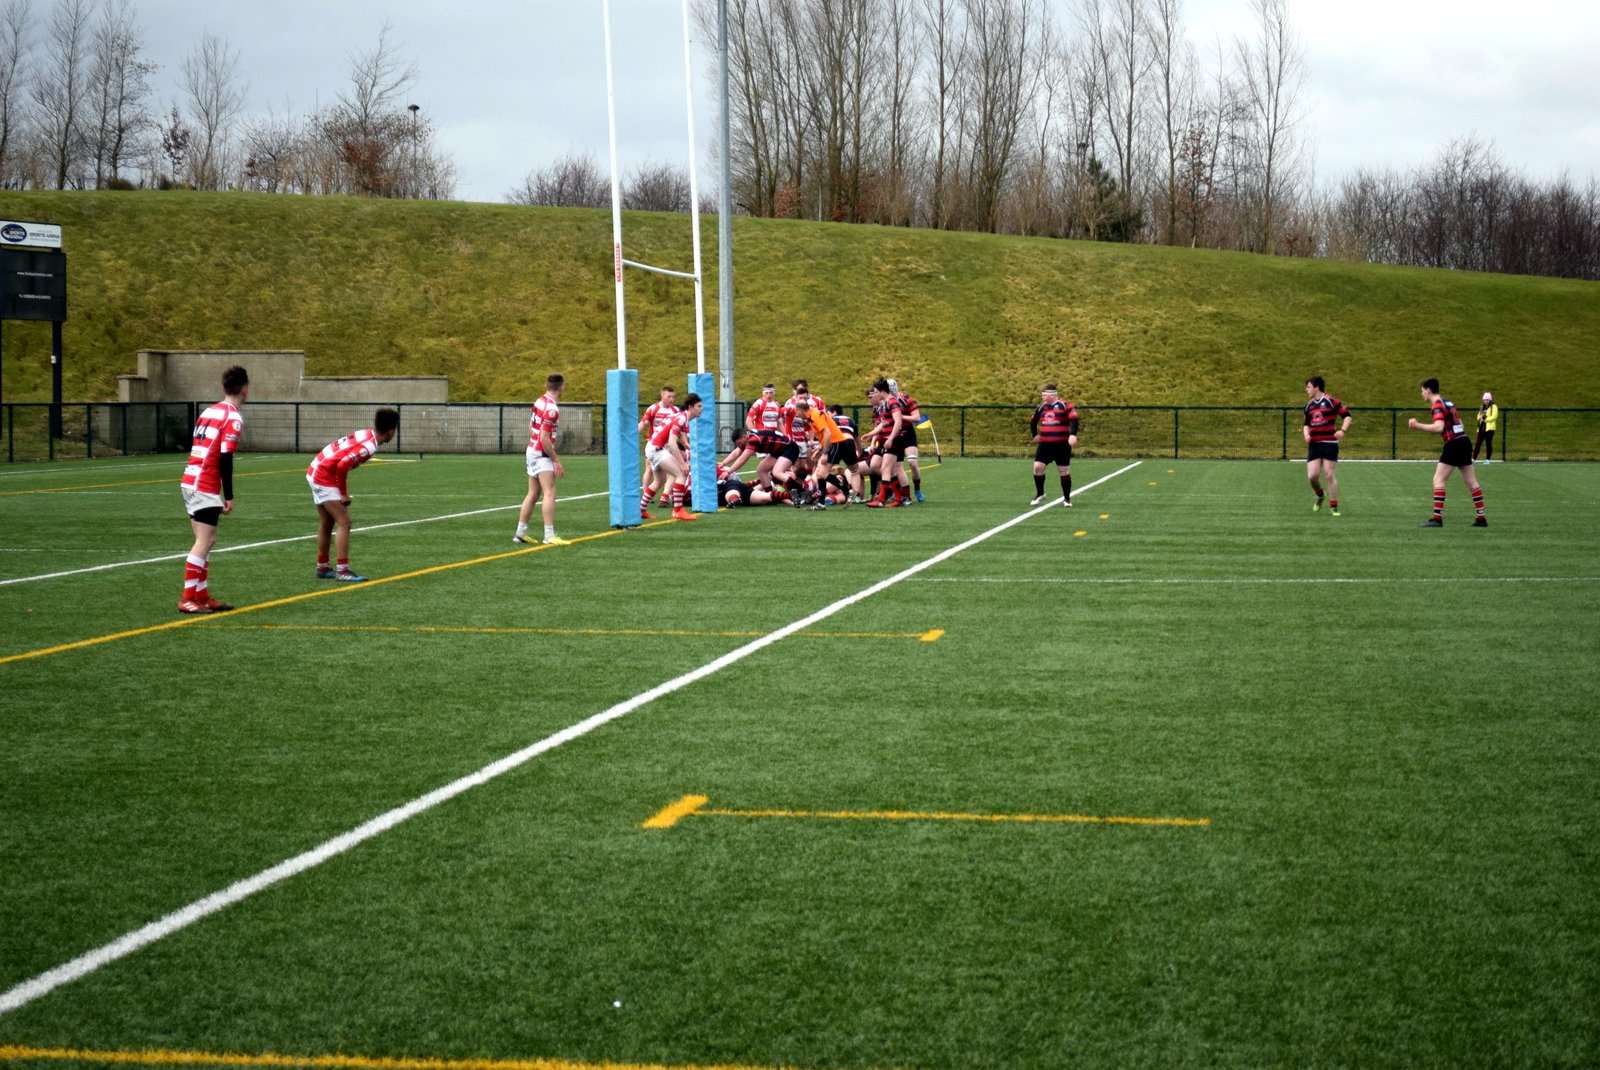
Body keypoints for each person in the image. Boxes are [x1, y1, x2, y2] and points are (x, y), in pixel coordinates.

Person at [177, 365, 249, 613]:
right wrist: (228, 495)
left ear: (223, 387)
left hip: (190, 478)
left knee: (205, 540)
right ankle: (188, 597)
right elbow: (225, 458)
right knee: (205, 540)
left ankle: (201, 596)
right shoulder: (232, 417)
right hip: (204, 483)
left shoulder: (209, 410)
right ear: (245, 390)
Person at [309, 408, 401, 580]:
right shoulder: (369, 445)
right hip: (323, 475)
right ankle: (343, 572)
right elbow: (342, 465)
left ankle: (323, 567)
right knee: (345, 522)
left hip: (317, 468)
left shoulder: (366, 433)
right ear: (391, 431)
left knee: (327, 522)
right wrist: (343, 494)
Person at [1408, 378, 1487, 528]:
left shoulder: (1437, 405)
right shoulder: (1448, 403)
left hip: (1454, 444)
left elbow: (1439, 427)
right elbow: (1461, 424)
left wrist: (1417, 425)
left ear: (1428, 390)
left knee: (1438, 479)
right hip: (1464, 441)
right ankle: (1481, 517)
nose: (1421, 394)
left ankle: (1437, 519)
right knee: (1471, 481)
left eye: (1422, 390)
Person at [514, 374, 570, 546]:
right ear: (561, 387)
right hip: (541, 453)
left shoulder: (539, 401)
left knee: (533, 493)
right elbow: (544, 438)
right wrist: (555, 459)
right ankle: (549, 535)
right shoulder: (552, 409)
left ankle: (520, 533)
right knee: (549, 492)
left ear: (547, 386)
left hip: (531, 450)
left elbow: (532, 428)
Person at [642, 392, 702, 521]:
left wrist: (685, 443)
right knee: (681, 473)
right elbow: (672, 443)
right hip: (657, 449)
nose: (701, 409)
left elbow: (677, 432)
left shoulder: (681, 416)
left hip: (652, 447)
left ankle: (641, 510)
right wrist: (683, 464)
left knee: (659, 481)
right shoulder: (682, 418)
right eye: (699, 406)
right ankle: (678, 510)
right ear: (690, 407)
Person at [1303, 376, 1353, 516]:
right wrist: (1306, 434)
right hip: (1314, 445)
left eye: (1309, 387)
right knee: (1312, 476)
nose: (1307, 390)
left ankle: (1334, 508)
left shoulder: (1332, 402)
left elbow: (1347, 416)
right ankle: (1320, 495)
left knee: (1329, 474)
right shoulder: (1308, 406)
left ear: (1316, 387)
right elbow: (1306, 424)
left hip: (1330, 444)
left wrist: (1342, 431)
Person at [1029, 383, 1079, 507]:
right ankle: (1040, 493)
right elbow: (1033, 421)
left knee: (1063, 471)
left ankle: (1067, 499)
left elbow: (1074, 419)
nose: (1042, 397)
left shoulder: (1065, 405)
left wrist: (1073, 435)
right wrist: (1034, 435)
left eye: (1044, 395)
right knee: (1038, 467)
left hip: (1062, 445)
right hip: (1045, 445)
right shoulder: (1041, 407)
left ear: (1052, 395)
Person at [639, 385, 680, 507]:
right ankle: (646, 494)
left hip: (669, 444)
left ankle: (666, 495)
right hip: (654, 444)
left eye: (673, 397)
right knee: (649, 469)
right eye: (669, 397)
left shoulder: (675, 410)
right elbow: (643, 423)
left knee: (670, 471)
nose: (671, 399)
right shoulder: (653, 409)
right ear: (662, 396)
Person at [888, 378, 925, 501]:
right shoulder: (884, 403)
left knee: (912, 463)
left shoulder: (906, 399)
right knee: (894, 467)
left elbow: (917, 417)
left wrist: (900, 417)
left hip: (907, 433)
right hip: (893, 435)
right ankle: (899, 492)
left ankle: (917, 489)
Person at [1474, 391, 1498, 464]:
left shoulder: (1494, 406)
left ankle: (1488, 459)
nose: (1486, 401)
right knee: (1478, 443)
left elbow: (1494, 416)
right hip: (1481, 427)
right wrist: (1480, 417)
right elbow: (1478, 416)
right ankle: (1473, 459)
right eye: (1484, 400)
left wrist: (1485, 419)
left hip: (1489, 428)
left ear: (1490, 400)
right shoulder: (1482, 407)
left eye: (1487, 400)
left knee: (1488, 443)